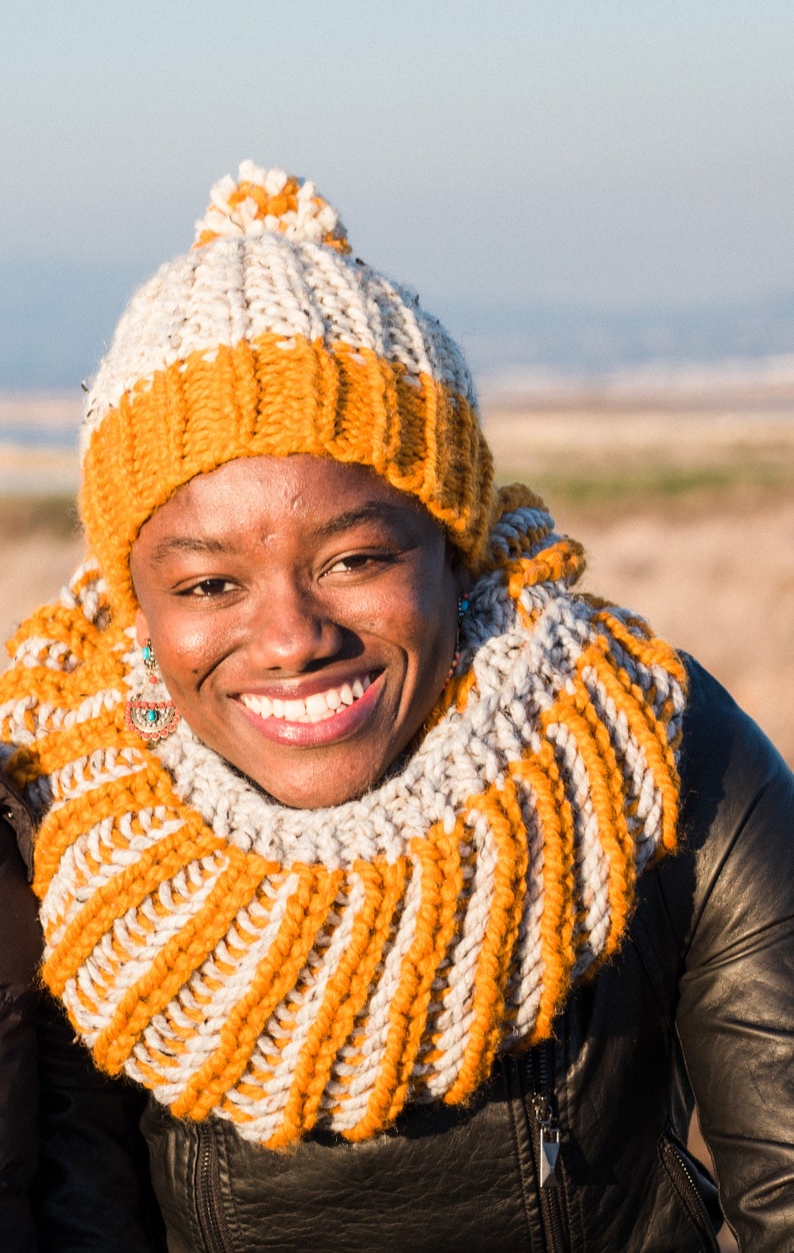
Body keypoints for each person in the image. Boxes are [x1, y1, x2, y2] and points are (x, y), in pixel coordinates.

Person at [0, 162, 792, 1252]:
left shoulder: (639, 753)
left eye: (357, 557)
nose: (289, 639)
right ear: (137, 606)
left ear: (454, 557)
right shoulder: (65, 830)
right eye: (207, 585)